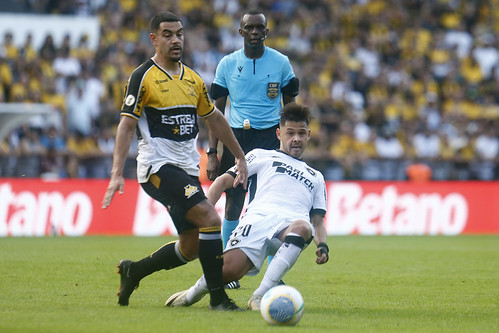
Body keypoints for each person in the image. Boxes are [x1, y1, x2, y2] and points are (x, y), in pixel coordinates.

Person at [101, 11, 248, 311]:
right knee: (211, 219)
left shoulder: (193, 79)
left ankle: (135, 271)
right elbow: (127, 125)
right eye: (167, 34)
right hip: (157, 169)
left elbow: (215, 119)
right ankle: (218, 299)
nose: (175, 40)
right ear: (154, 39)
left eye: (179, 33)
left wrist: (241, 158)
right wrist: (117, 173)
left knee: (192, 246)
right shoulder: (142, 77)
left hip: (185, 169)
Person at [165, 103, 329, 311]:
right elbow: (222, 182)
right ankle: (191, 295)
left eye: (301, 133)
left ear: (309, 135)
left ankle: (259, 297)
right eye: (290, 133)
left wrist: (322, 245)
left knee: (304, 227)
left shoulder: (316, 177)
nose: (296, 138)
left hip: (289, 227)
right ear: (279, 133)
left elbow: (317, 221)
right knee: (228, 271)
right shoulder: (261, 155)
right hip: (256, 221)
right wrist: (202, 213)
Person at [206, 10, 299, 288]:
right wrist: (213, 153)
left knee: (269, 206)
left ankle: (274, 276)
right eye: (250, 27)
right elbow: (215, 113)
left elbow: (291, 107)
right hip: (236, 139)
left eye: (260, 28)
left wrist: (291, 142)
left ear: (267, 32)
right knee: (233, 202)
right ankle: (226, 265)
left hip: (271, 138)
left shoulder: (281, 63)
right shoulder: (227, 64)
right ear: (241, 32)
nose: (255, 32)